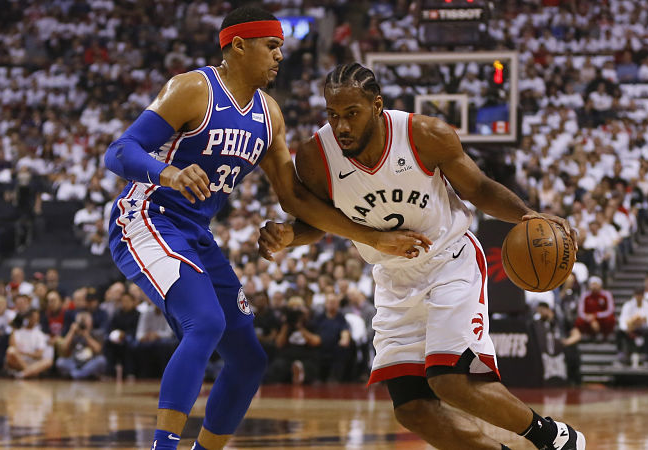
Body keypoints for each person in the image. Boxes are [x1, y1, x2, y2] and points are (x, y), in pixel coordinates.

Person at [102, 8, 429, 450]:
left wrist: (297, 232)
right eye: (271, 46)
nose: (280, 55)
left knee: (249, 361)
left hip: (196, 233)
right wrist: (168, 174)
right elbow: (119, 150)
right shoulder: (193, 89)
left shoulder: (269, 114)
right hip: (147, 217)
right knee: (204, 324)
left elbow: (292, 198)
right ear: (239, 46)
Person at [258, 63, 585, 450]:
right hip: (393, 279)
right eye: (332, 115)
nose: (341, 126)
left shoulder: (425, 135)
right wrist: (289, 235)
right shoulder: (316, 157)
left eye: (351, 114)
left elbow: (477, 188)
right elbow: (319, 219)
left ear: (377, 106)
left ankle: (554, 438)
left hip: (449, 261)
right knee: (412, 409)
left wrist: (528, 214)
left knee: (450, 381)